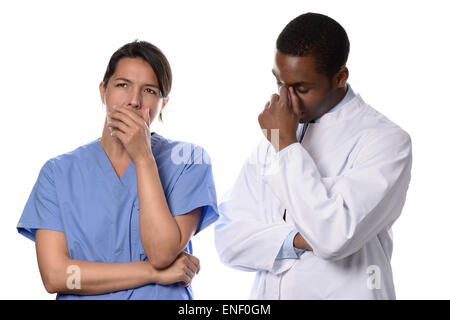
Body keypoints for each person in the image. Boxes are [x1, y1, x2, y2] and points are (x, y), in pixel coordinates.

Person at [215, 13, 412, 299]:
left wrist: (284, 145)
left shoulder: (387, 141)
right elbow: (228, 239)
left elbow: (333, 237)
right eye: (279, 82)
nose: (286, 99)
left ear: (340, 77)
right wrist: (296, 239)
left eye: (301, 88)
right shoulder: (273, 137)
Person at [17, 40, 218, 300]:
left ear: (163, 104)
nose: (134, 101)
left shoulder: (189, 160)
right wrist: (153, 273)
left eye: (149, 90)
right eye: (122, 85)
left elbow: (161, 252)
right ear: (103, 91)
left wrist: (144, 158)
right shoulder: (57, 173)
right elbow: (57, 275)